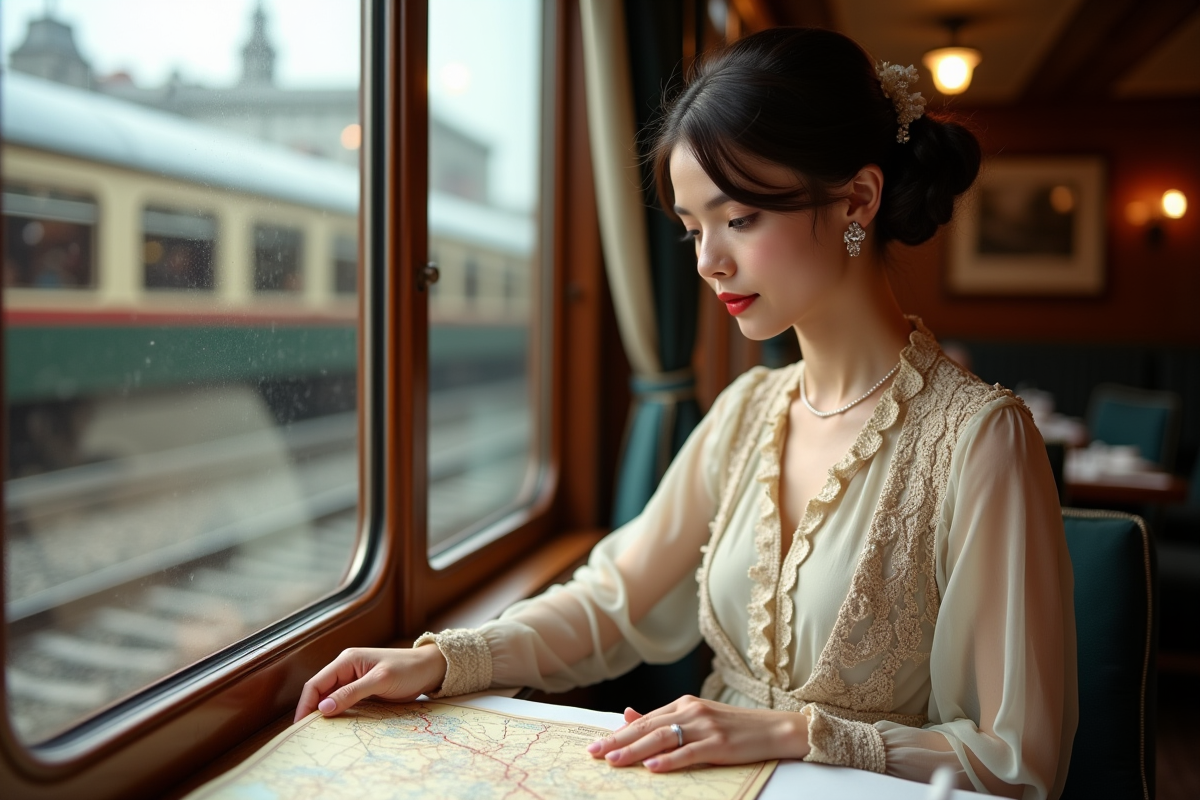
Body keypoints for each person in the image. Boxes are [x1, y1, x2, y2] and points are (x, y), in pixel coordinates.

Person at [295, 28, 1077, 798]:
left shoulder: (980, 441)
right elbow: (614, 601)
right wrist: (444, 660)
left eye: (739, 220)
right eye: (693, 229)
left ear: (858, 199)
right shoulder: (747, 412)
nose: (709, 263)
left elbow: (1016, 762)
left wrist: (795, 733)